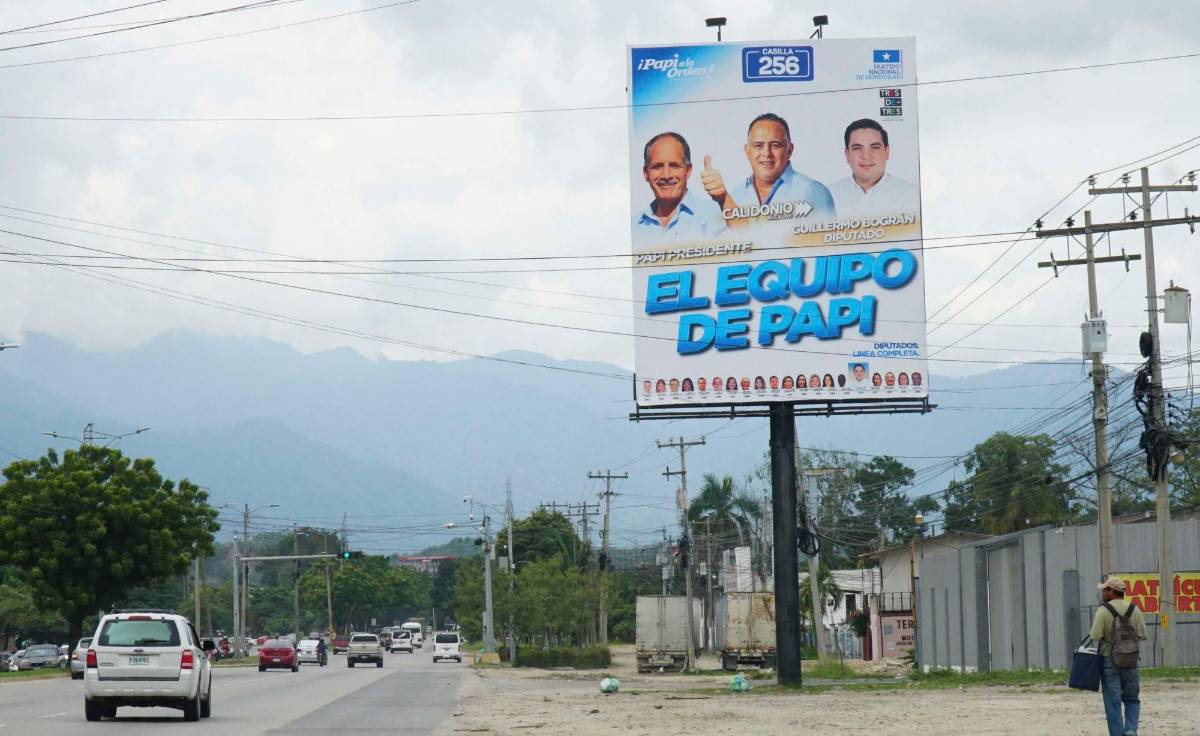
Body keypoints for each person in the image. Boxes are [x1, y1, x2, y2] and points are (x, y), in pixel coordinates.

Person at [701, 113, 836, 224]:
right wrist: (724, 199)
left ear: (789, 150)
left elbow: (826, 250)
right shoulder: (734, 196)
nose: (766, 153)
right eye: (758, 146)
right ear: (747, 151)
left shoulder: (814, 192)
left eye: (775, 145)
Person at [634, 132, 727, 242]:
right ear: (646, 173)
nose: (666, 175)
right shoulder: (632, 227)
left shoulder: (715, 214)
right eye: (657, 166)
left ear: (688, 171)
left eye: (674, 166)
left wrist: (724, 199)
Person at [1090, 577, 1148, 736]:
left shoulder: (1103, 610)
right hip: (1131, 661)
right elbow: (1143, 635)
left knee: (1113, 703)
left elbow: (1095, 635)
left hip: (1109, 660)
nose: (1103, 592)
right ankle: (1130, 730)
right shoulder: (1134, 609)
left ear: (1112, 591)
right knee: (1132, 699)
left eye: (1105, 589)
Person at [828, 119, 920, 218]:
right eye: (857, 148)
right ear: (847, 154)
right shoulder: (829, 196)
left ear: (887, 152)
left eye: (875, 147)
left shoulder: (911, 195)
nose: (866, 156)